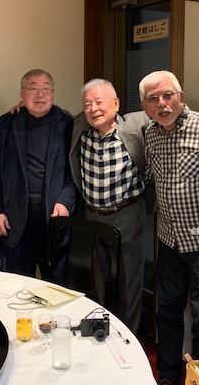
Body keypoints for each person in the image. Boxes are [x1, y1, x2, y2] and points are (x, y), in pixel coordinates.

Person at [139, 71, 199, 385]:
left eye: (168, 95)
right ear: (145, 106)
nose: (162, 104)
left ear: (181, 97)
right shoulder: (150, 133)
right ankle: (168, 374)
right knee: (167, 312)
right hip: (169, 241)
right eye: (153, 99)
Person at [69, 78, 150, 332]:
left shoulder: (136, 126)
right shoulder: (80, 127)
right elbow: (49, 114)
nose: (93, 109)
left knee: (129, 281)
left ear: (116, 103)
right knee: (102, 278)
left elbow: (167, 111)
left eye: (99, 102)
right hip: (93, 217)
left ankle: (129, 335)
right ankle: (107, 329)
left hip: (127, 214)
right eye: (87, 104)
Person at [0, 70, 76, 279]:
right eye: (33, 88)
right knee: (18, 284)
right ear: (22, 93)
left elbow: (74, 171)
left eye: (46, 89)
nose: (40, 94)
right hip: (15, 221)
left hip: (54, 221)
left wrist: (65, 201)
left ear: (53, 94)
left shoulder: (67, 124)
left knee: (56, 286)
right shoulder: (6, 123)